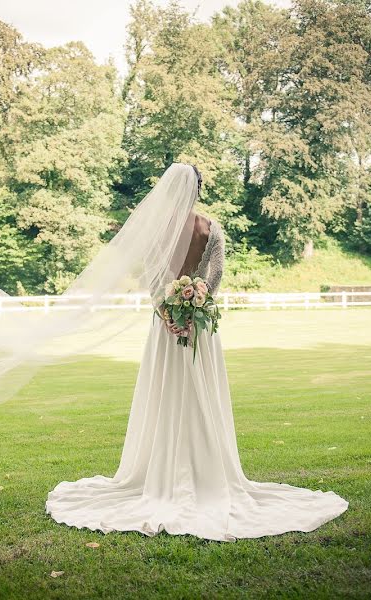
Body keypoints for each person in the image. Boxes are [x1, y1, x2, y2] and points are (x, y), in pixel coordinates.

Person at [45, 164, 349, 542]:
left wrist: (168, 315)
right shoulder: (211, 228)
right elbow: (215, 276)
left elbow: (152, 281)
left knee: (166, 394)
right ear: (198, 191)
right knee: (200, 393)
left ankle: (160, 474)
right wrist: (195, 309)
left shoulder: (155, 232)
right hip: (200, 327)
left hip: (164, 328)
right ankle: (207, 473)